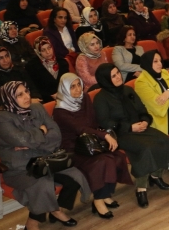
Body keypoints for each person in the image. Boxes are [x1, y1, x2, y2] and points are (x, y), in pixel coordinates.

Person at [0, 81, 91, 230]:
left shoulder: (37, 108)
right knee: (43, 185)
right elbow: (24, 139)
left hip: (47, 159)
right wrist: (42, 131)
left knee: (75, 177)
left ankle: (55, 209)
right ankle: (32, 224)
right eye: (20, 94)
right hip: (20, 168)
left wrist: (31, 141)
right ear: (8, 98)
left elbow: (56, 135)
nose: (27, 96)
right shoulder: (1, 120)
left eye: (27, 91)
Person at [52, 73, 132, 219]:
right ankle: (98, 199)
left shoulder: (85, 99)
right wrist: (105, 136)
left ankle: (106, 194)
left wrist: (105, 133)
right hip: (74, 149)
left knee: (117, 156)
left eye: (78, 85)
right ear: (64, 89)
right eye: (72, 87)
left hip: (92, 143)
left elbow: (94, 123)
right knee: (103, 161)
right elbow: (79, 129)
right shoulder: (60, 111)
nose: (77, 90)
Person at [93, 64, 169, 209]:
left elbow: (142, 109)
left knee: (166, 141)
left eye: (118, 73)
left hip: (139, 127)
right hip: (120, 133)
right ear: (105, 79)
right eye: (113, 76)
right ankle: (141, 189)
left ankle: (155, 175)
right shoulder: (101, 98)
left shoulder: (127, 90)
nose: (118, 77)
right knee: (146, 148)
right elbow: (105, 122)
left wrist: (144, 121)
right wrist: (130, 127)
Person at [25, 37, 70, 101]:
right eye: (43, 50)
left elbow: (68, 81)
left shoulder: (62, 61)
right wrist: (50, 96)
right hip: (46, 100)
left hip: (66, 95)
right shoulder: (31, 66)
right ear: (38, 52)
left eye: (49, 48)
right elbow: (34, 88)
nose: (48, 52)